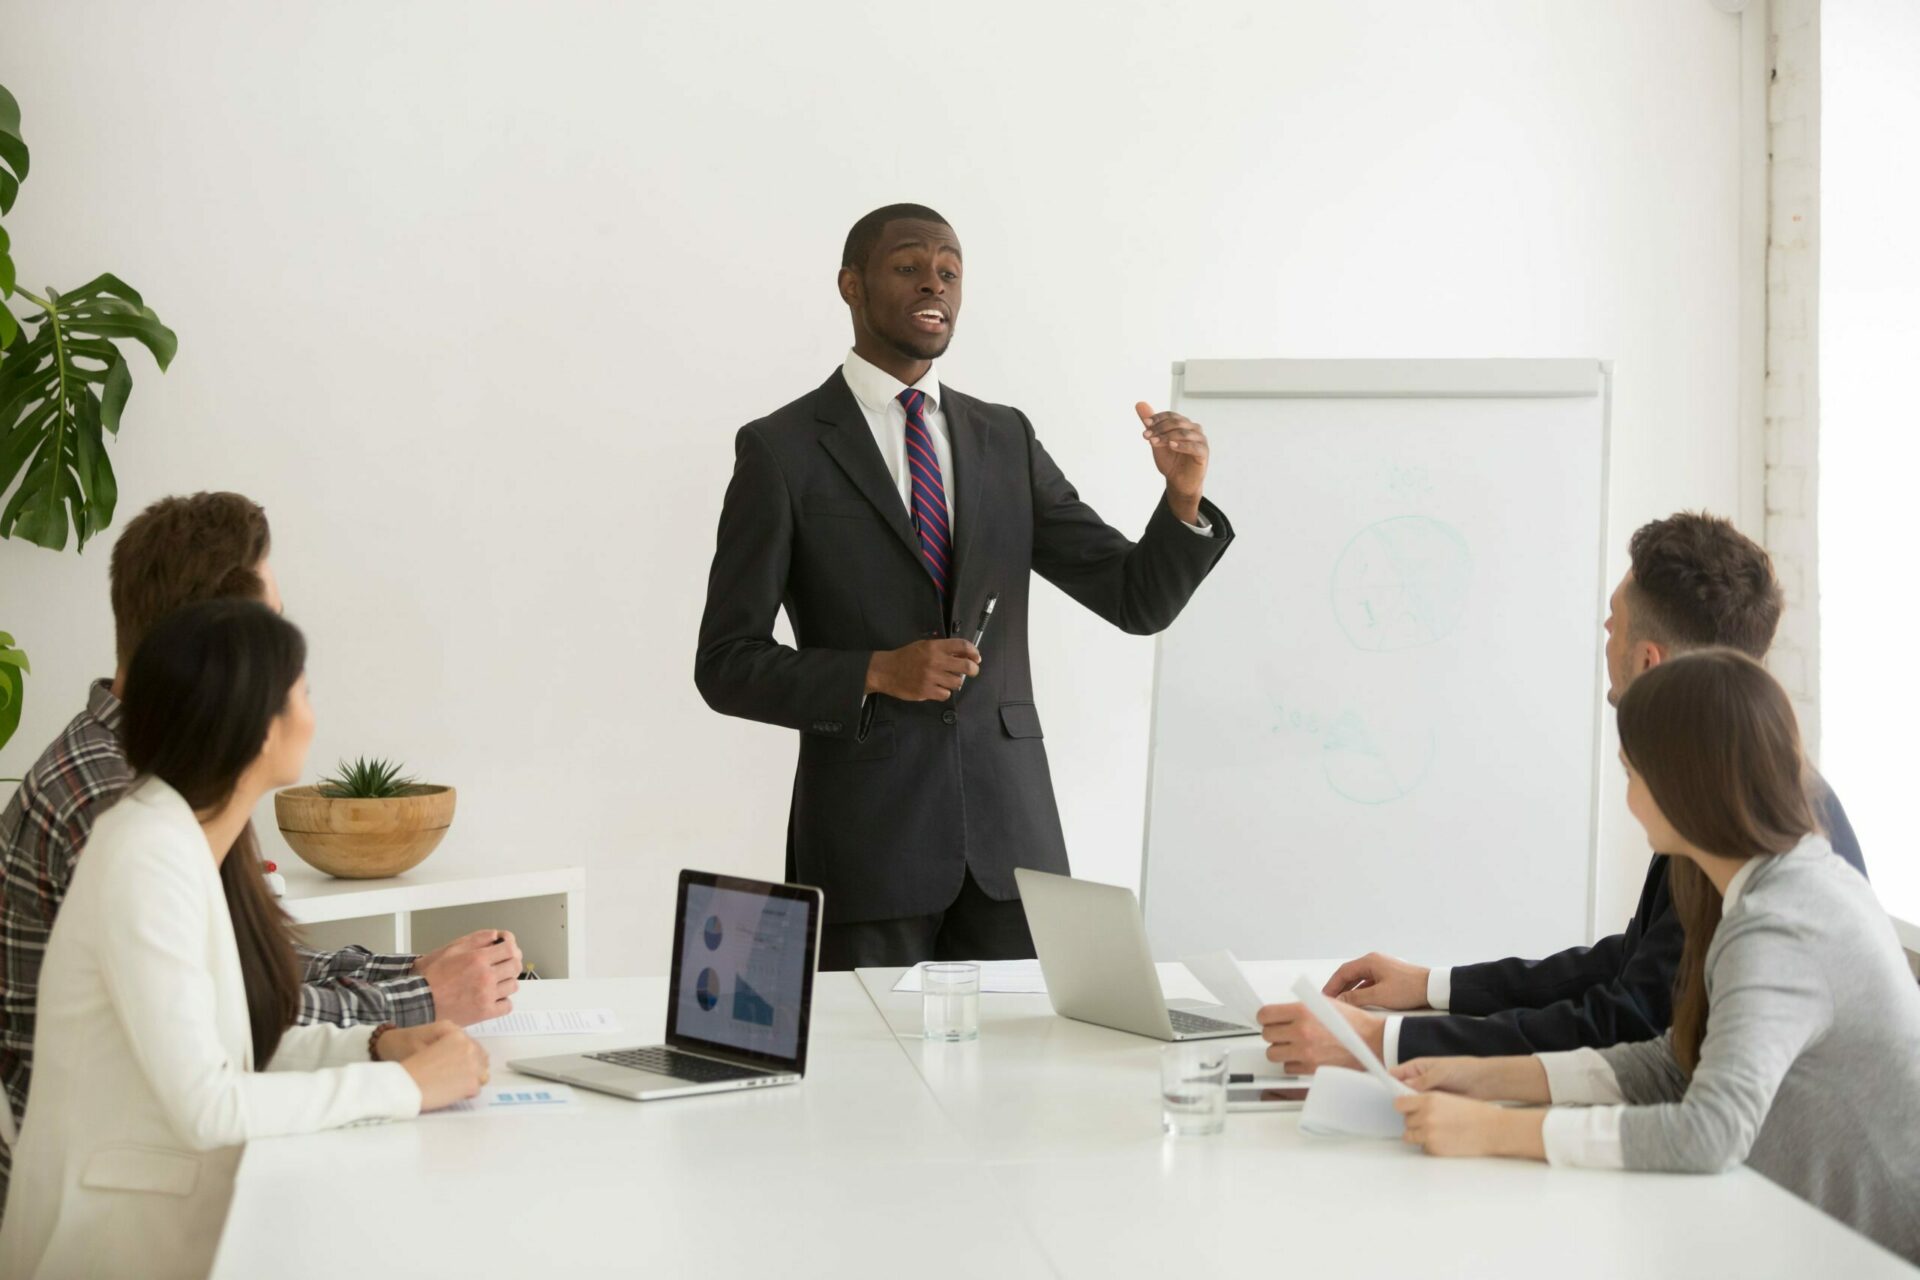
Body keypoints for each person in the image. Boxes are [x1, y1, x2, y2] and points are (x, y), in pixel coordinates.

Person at [696, 204, 1233, 969]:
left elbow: (1133, 599)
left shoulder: (1003, 438)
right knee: (871, 1081)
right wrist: (878, 671)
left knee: (1028, 1080)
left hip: (1014, 851)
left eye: (950, 271)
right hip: (868, 850)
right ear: (851, 284)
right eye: (909, 266)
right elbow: (725, 663)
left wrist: (1182, 501)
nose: (934, 285)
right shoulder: (782, 450)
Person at [0, 492, 518, 1207]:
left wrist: (375, 1039)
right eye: (278, 644)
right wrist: (400, 1077)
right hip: (122, 1209)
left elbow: (232, 1011)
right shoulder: (122, 819)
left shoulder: (176, 804)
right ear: (230, 670)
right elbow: (208, 1102)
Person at [1257, 511, 1867, 1071]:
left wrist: (1381, 1042)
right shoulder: (1742, 775)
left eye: (1611, 627)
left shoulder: (1740, 815)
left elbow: (1627, 1022)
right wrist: (1433, 986)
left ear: (1649, 662)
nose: (1605, 645)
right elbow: (1633, 967)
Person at [1388, 650, 1920, 1265]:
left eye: (1632, 774)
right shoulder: (1770, 886)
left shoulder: (1784, 926)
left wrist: (1494, 1131)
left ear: (1683, 782)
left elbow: (1708, 1132)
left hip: (1867, 1254)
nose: (1631, 798)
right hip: (1796, 1229)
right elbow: (1680, 1064)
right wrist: (1482, 1076)